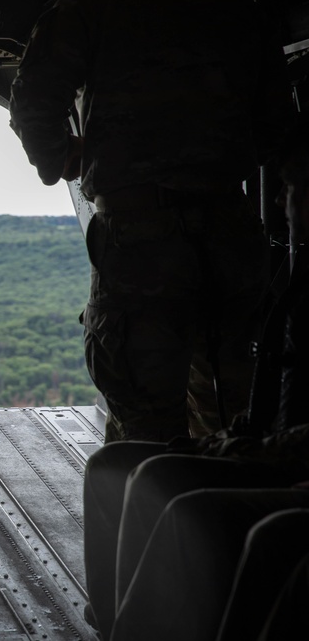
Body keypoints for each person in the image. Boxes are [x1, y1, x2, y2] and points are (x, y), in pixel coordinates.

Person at [9, 0, 295, 443]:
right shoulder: (240, 11)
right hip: (229, 230)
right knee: (229, 411)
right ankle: (214, 501)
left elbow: (35, 99)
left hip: (141, 236)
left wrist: (58, 158)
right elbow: (277, 126)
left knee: (143, 416)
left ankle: (152, 503)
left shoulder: (88, 7)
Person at [80, 116, 309, 640]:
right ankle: (117, 624)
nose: (279, 203)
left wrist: (228, 452)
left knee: (175, 490)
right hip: (280, 451)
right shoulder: (294, 286)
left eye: (294, 190)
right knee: (112, 462)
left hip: (290, 460)